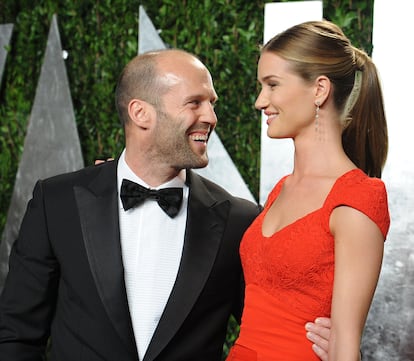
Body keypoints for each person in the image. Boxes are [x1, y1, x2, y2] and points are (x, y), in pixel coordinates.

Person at [0, 49, 331, 361]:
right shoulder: (58, 201)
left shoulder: (239, 219)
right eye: (194, 103)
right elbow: (17, 334)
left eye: (211, 103)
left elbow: (269, 329)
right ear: (140, 113)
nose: (212, 117)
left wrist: (322, 340)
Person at [226, 20, 390, 361]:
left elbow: (344, 348)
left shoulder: (358, 196)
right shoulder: (280, 190)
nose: (260, 101)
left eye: (272, 85)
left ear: (319, 90)